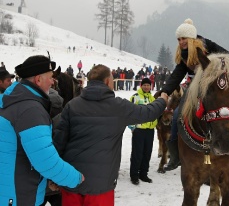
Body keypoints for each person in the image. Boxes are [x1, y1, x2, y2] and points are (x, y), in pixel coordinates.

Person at [156, 18, 229, 171]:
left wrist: (214, 65)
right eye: (179, 39)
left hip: (217, 87)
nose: (181, 42)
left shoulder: (208, 45)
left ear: (192, 38)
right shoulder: (184, 56)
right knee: (178, 113)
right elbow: (176, 76)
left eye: (184, 38)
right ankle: (175, 156)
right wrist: (165, 91)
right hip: (194, 89)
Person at [53, 64, 168, 206]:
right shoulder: (118, 107)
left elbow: (59, 142)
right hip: (101, 186)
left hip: (70, 181)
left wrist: (53, 176)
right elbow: (148, 113)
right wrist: (162, 100)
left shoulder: (72, 105)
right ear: (107, 81)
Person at [0, 55, 84, 206]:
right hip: (19, 196)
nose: (53, 82)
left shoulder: (13, 97)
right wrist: (75, 178)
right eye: (51, 77)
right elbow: (46, 161)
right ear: (38, 80)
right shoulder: (30, 109)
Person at [129, 78, 157, 185]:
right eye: (144, 85)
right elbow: (130, 113)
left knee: (147, 153)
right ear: (141, 86)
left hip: (150, 130)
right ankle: (134, 175)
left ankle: (143, 174)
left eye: (148, 85)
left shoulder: (153, 98)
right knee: (137, 153)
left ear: (151, 87)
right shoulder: (135, 97)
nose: (146, 87)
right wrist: (132, 128)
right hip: (139, 130)